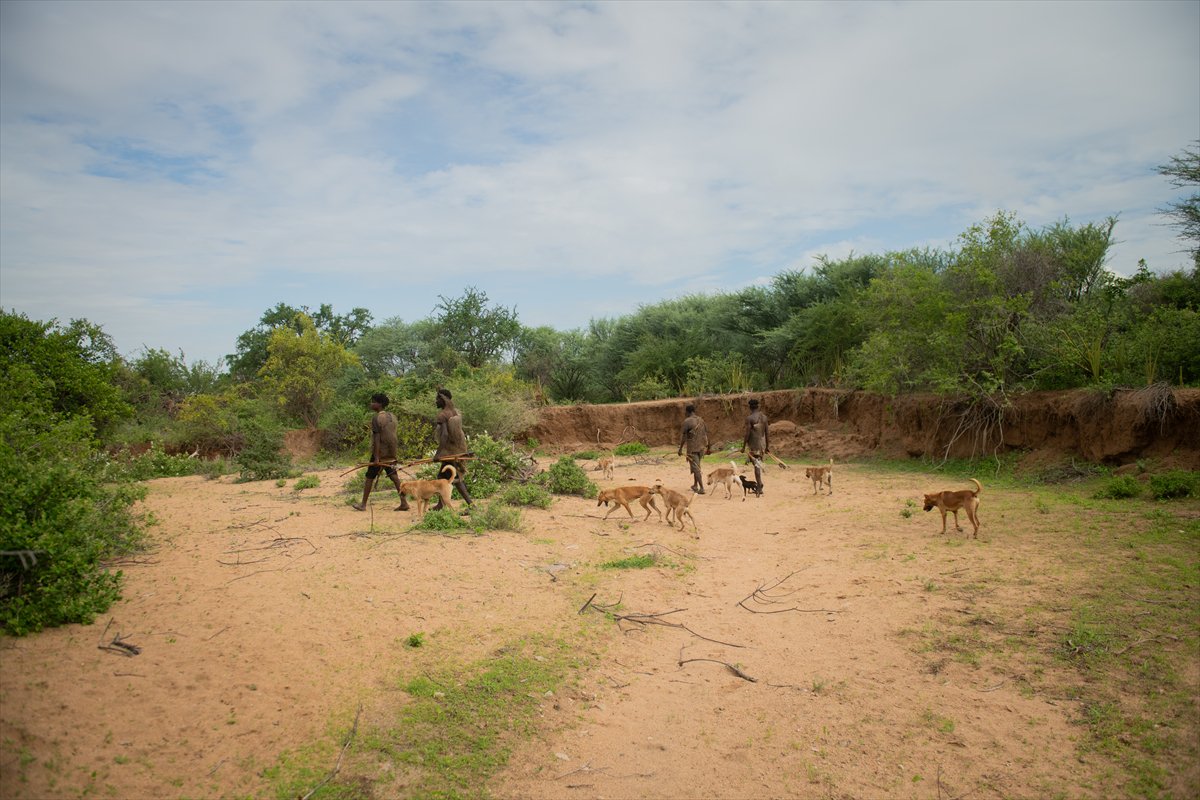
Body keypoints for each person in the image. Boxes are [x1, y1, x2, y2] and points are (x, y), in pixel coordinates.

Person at [353, 392, 408, 511]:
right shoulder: (392, 416)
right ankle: (404, 503)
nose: (371, 403)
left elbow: (377, 438)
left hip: (380, 453)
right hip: (391, 453)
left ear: (380, 404)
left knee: (369, 477)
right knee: (394, 476)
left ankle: (363, 504)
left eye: (373, 401)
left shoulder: (376, 418)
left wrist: (376, 457)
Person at [433, 388, 472, 509]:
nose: (435, 402)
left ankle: (471, 505)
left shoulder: (443, 415)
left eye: (437, 399)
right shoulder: (454, 412)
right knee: (442, 477)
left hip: (449, 452)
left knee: (455, 478)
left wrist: (438, 454)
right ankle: (441, 504)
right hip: (457, 449)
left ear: (442, 399)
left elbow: (444, 435)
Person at [677, 403, 710, 494]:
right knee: (697, 467)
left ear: (687, 412)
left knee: (696, 469)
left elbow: (684, 436)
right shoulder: (701, 420)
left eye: (685, 412)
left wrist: (680, 449)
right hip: (701, 448)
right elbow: (706, 433)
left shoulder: (687, 421)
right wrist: (708, 446)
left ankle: (702, 488)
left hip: (692, 449)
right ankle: (695, 485)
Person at [740, 397, 769, 497]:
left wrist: (743, 447)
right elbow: (767, 433)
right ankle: (759, 484)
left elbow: (747, 434)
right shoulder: (764, 417)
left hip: (754, 446)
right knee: (758, 464)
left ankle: (759, 486)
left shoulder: (750, 418)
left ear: (750, 407)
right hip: (762, 444)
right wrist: (767, 446)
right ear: (758, 406)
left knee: (756, 466)